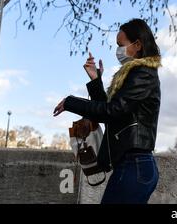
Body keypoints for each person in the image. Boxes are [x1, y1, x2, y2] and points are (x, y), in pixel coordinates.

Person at [53, 18, 161, 204]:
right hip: (134, 166)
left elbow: (112, 111)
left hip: (134, 165)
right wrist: (96, 80)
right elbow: (112, 114)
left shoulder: (143, 73)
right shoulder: (136, 74)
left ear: (137, 45)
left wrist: (71, 102)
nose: (117, 50)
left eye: (121, 44)